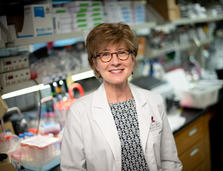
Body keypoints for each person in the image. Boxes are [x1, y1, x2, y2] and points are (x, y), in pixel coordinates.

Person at [61, 23, 182, 171]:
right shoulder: (79, 113)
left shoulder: (154, 101)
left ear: (133, 57)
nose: (116, 61)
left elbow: (169, 161)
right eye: (105, 54)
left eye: (122, 52)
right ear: (95, 63)